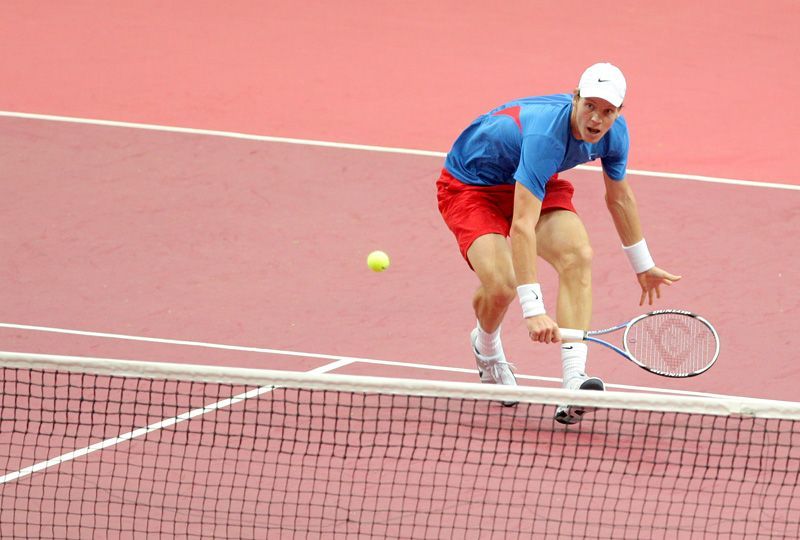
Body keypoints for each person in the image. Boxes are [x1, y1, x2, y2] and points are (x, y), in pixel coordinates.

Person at [436, 62, 681, 423]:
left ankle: (572, 382)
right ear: (575, 99)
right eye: (590, 106)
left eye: (608, 111)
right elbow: (522, 226)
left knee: (577, 255)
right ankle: (486, 350)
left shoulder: (615, 134)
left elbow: (619, 198)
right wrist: (533, 310)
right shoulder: (546, 136)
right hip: (472, 186)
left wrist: (642, 264)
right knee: (502, 286)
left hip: (534, 177)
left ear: (619, 112)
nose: (596, 119)